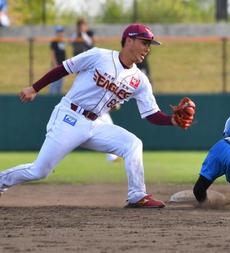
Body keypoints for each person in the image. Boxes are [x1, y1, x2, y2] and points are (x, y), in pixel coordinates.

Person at [0, 23, 196, 208]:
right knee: (39, 171)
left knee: (133, 144)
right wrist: (35, 88)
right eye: (144, 43)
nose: (147, 49)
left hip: (95, 124)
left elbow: (152, 114)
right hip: (70, 116)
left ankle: (137, 196)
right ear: (129, 40)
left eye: (149, 45)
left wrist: (171, 120)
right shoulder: (99, 56)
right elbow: (64, 68)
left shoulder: (140, 81)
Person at [49, 26, 66, 94]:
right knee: (54, 83)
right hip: (56, 65)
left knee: (60, 83)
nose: (60, 33)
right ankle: (51, 97)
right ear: (56, 33)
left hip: (62, 65)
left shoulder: (62, 41)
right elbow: (52, 53)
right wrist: (55, 64)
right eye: (58, 32)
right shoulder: (54, 42)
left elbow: (63, 53)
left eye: (61, 32)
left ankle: (58, 98)